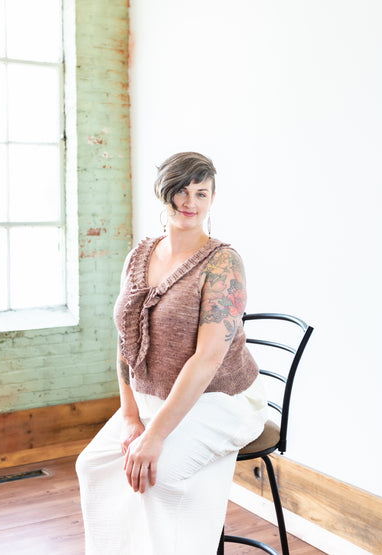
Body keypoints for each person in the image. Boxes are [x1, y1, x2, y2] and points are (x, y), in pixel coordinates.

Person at [76, 152, 268, 555]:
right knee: (92, 465)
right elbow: (125, 338)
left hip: (220, 399)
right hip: (152, 396)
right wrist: (130, 418)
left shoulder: (223, 263)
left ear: (213, 199)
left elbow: (208, 359)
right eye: (181, 190)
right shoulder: (140, 255)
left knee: (157, 476)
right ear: (163, 192)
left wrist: (156, 435)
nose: (190, 202)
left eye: (202, 193)